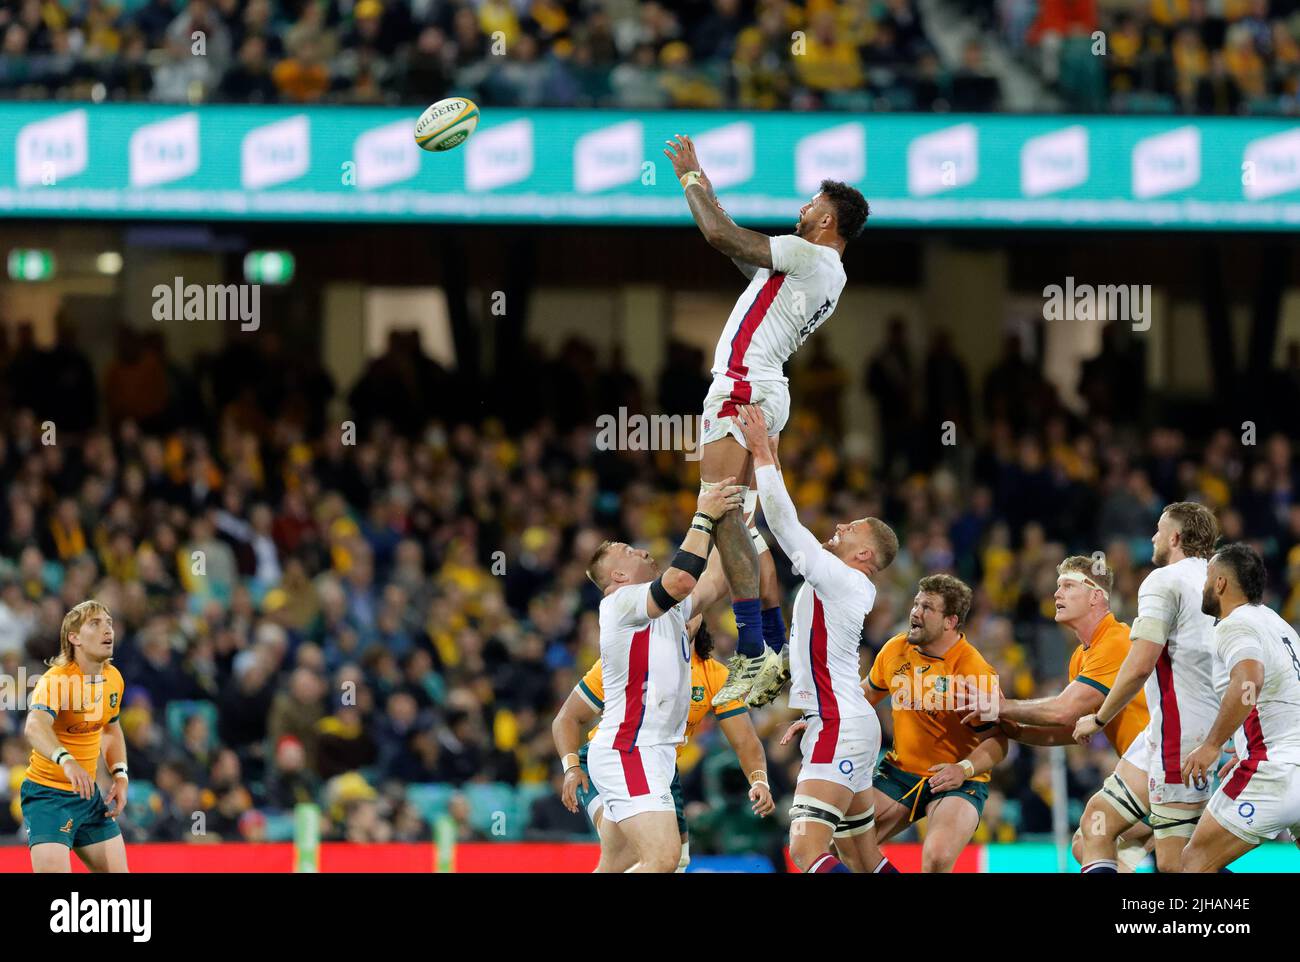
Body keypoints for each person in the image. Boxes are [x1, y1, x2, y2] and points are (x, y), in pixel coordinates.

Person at [663, 133, 870, 709]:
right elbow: (736, 248)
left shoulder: (811, 256)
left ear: (828, 221)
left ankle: (756, 648)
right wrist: (712, 198)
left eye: (810, 205)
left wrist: (690, 179)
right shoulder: (820, 269)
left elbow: (718, 235)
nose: (801, 210)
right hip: (763, 388)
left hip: (743, 387)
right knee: (739, 520)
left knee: (720, 508)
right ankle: (772, 641)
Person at [736, 404, 900, 873]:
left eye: (851, 528)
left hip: (839, 722)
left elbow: (786, 527)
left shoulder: (843, 580)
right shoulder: (844, 583)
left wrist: (762, 451)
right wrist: (773, 449)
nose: (840, 526)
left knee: (806, 851)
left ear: (864, 553)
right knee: (864, 858)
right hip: (841, 719)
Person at [565, 479, 744, 872]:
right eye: (629, 552)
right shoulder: (620, 603)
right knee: (664, 859)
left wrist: (738, 507)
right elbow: (682, 579)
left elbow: (714, 578)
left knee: (616, 865)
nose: (644, 551)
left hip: (653, 753)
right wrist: (703, 513)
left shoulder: (667, 610)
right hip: (631, 749)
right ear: (618, 577)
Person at [961, 555, 1154, 871]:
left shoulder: (1117, 640)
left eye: (1067, 586)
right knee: (1091, 842)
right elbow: (1070, 729)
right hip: (1146, 764)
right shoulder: (1081, 656)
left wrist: (999, 706)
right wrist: (1014, 729)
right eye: (1057, 586)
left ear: (1096, 597)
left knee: (1097, 828)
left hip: (1161, 758)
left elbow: (1065, 710)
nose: (1056, 594)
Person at [552, 610, 775, 872]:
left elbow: (745, 741)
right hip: (610, 762)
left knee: (662, 862)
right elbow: (566, 718)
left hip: (662, 770)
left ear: (701, 618)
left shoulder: (713, 674)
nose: (682, 617)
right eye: (675, 610)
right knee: (652, 857)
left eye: (691, 610)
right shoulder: (627, 659)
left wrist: (759, 779)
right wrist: (570, 769)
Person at [1072, 502, 1221, 873]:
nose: (1152, 537)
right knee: (1095, 824)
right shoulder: (1220, 582)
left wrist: (1100, 719)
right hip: (1173, 730)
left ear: (1175, 537)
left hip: (1181, 738)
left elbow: (1140, 666)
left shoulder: (1163, 580)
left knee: (1177, 866)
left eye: (1158, 529)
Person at [845, 574, 1008, 873]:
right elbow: (865, 695)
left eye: (928, 607)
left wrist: (963, 769)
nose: (915, 612)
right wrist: (822, 721)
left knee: (937, 858)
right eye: (916, 603)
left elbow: (998, 742)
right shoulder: (895, 649)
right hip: (900, 773)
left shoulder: (973, 670)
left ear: (950, 621)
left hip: (957, 781)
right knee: (843, 842)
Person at [1182, 544, 1300, 872]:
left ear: (1220, 583)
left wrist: (1211, 745)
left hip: (1272, 770)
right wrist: (1244, 742)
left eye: (1208, 577)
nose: (1203, 586)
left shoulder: (1234, 624)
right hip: (1292, 761)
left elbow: (1250, 680)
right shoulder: (1278, 624)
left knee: (1194, 862)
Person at [21, 600, 130, 873]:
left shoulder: (113, 679)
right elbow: (34, 725)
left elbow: (111, 728)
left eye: (109, 623)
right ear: (74, 637)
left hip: (88, 796)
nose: (108, 630)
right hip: (48, 797)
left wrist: (120, 775)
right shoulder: (56, 679)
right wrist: (67, 761)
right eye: (96, 623)